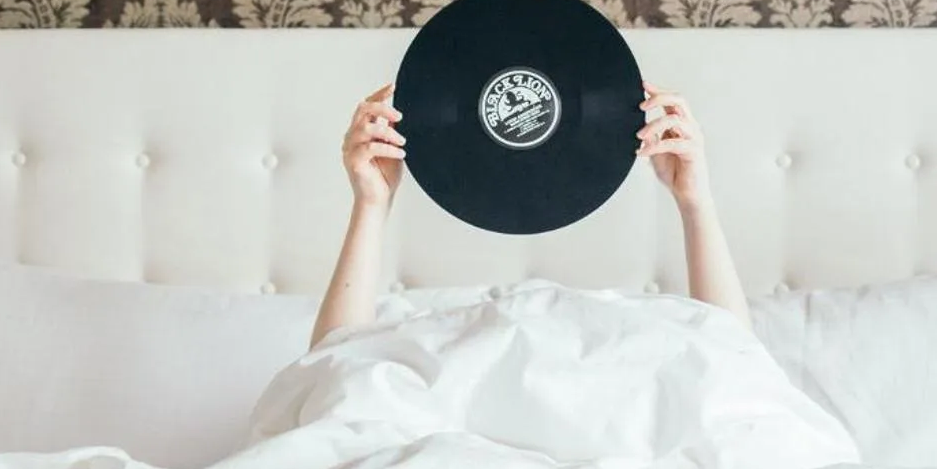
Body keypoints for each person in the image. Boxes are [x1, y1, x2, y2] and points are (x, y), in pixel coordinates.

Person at [310, 81, 750, 346]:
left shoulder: (645, 328)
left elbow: (737, 365)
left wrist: (695, 201)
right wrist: (372, 203)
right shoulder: (413, 333)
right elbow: (326, 380)